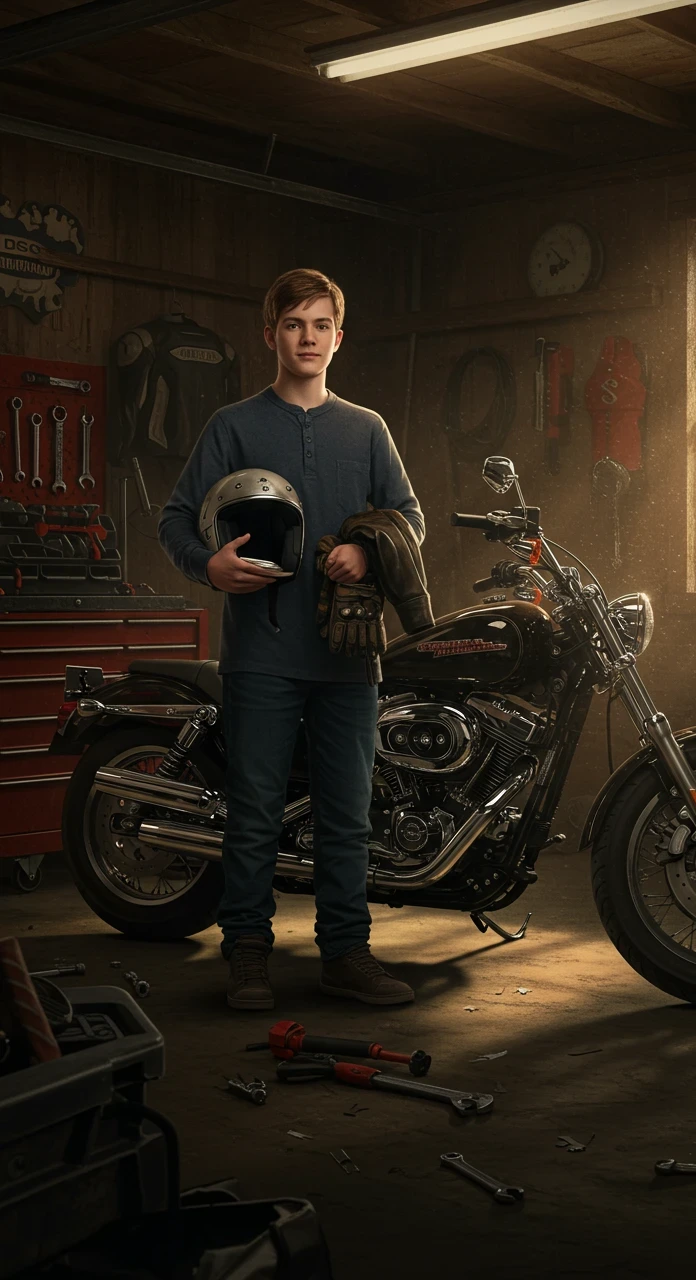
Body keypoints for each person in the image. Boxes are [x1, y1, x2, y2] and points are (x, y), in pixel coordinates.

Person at [158, 267, 424, 1010]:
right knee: (254, 812)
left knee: (346, 815)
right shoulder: (233, 425)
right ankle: (247, 954)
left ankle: (346, 954)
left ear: (339, 339)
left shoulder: (367, 429)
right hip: (262, 658)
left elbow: (410, 516)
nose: (307, 338)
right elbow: (175, 520)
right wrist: (209, 565)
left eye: (320, 325)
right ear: (270, 334)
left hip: (350, 658)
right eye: (293, 324)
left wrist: (367, 552)